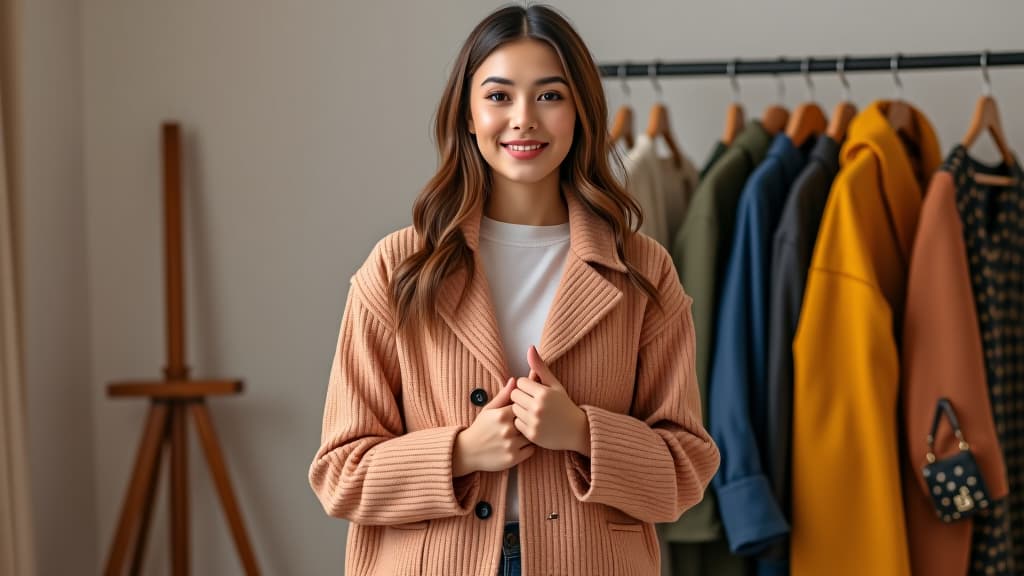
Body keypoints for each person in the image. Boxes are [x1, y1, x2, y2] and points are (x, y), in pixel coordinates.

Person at [308, 4, 719, 575]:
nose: (523, 118)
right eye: (499, 96)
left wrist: (580, 431)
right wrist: (461, 452)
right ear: (468, 116)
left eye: (550, 96)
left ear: (580, 113)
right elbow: (339, 476)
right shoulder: (398, 267)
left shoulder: (642, 270)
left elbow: (685, 472)